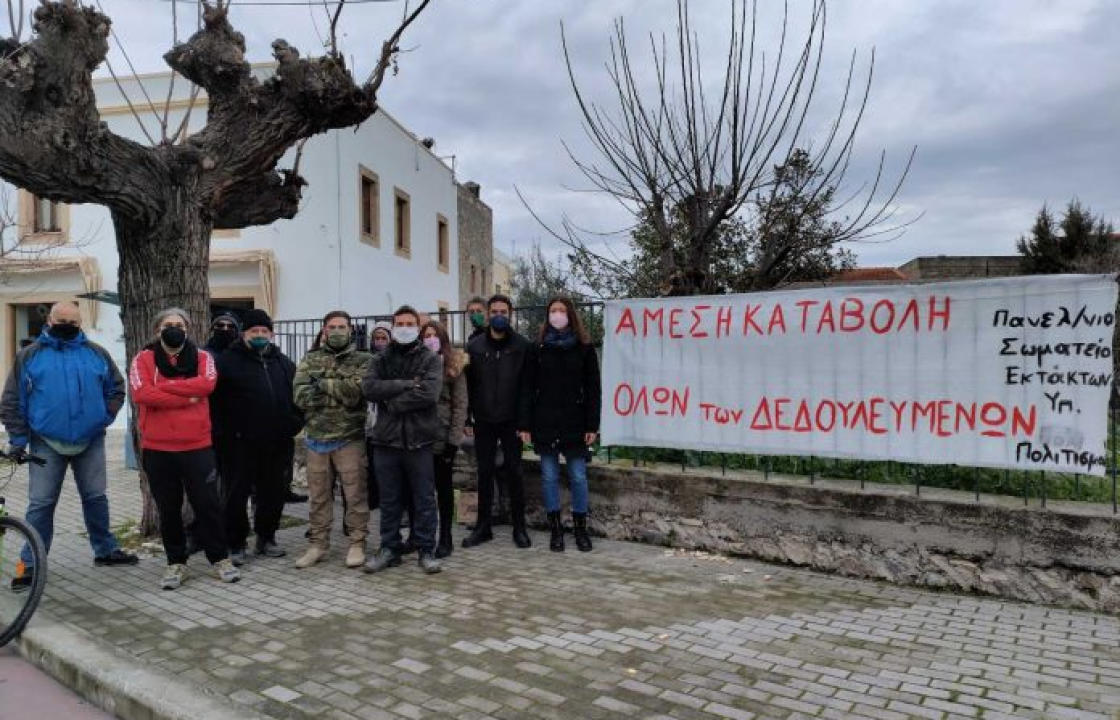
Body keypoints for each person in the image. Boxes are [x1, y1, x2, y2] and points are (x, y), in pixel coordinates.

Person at [1, 302, 137, 591]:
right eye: (60, 319)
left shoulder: (96, 354)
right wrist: (18, 440)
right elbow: (11, 400)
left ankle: (105, 550)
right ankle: (31, 564)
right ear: (49, 320)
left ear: (80, 322)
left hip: (90, 440)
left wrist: (103, 417)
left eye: (72, 321)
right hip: (45, 442)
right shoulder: (29, 356)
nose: (66, 324)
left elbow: (117, 387)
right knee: (41, 504)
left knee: (96, 498)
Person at [130, 309, 239, 589]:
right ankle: (176, 562)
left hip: (197, 446)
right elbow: (142, 394)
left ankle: (219, 558)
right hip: (158, 449)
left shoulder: (203, 358)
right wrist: (186, 395)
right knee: (168, 509)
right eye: (168, 325)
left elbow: (207, 385)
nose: (174, 329)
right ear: (157, 330)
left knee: (208, 505)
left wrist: (165, 389)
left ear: (188, 329)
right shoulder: (143, 359)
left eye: (179, 325)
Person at [212, 309, 303, 565]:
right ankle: (236, 543)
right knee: (236, 495)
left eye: (264, 331)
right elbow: (215, 404)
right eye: (255, 331)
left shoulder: (284, 363)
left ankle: (266, 537)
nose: (260, 335)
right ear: (244, 334)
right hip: (238, 444)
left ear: (271, 334)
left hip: (277, 442)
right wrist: (225, 434)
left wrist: (294, 424)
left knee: (273, 493)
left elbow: (298, 397)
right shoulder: (227, 362)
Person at [361, 305, 443, 574]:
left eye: (410, 323)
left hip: (419, 441)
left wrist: (393, 402)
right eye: (400, 323)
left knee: (424, 500)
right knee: (389, 500)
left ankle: (426, 549)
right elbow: (370, 388)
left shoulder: (429, 358)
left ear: (418, 328)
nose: (405, 328)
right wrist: (406, 384)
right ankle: (389, 548)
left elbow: (429, 394)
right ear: (393, 326)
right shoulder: (380, 359)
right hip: (386, 441)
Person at [292, 311, 372, 569]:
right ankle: (318, 544)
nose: (337, 331)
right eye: (332, 327)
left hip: (349, 439)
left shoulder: (364, 360)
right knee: (318, 496)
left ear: (350, 330)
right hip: (316, 438)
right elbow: (300, 397)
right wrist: (338, 388)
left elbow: (356, 394)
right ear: (324, 330)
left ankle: (357, 543)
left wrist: (322, 383)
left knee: (355, 494)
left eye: (342, 326)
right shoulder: (310, 358)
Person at [522, 298, 601, 552]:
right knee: (548, 476)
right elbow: (526, 388)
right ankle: (555, 528)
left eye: (562, 310)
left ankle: (580, 528)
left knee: (578, 476)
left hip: (575, 421)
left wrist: (592, 425)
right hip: (544, 421)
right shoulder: (537, 349)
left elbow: (593, 390)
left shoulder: (584, 348)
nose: (557, 315)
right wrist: (525, 424)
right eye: (553, 311)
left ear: (571, 315)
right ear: (547, 316)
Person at [462, 294, 532, 549]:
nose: (499, 315)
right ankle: (483, 527)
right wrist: (467, 417)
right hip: (484, 420)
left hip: (512, 421)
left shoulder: (522, 346)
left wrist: (525, 424)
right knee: (484, 473)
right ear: (489, 314)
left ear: (510, 314)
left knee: (515, 473)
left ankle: (520, 527)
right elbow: (468, 385)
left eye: (504, 311)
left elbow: (527, 388)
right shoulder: (475, 347)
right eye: (495, 311)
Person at [420, 321, 467, 558]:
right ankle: (422, 536)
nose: (430, 339)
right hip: (419, 438)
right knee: (421, 491)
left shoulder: (453, 366)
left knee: (444, 489)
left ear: (442, 339)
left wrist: (453, 442)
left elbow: (460, 406)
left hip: (442, 438)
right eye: (426, 335)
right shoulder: (416, 364)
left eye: (434, 335)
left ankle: (446, 536)